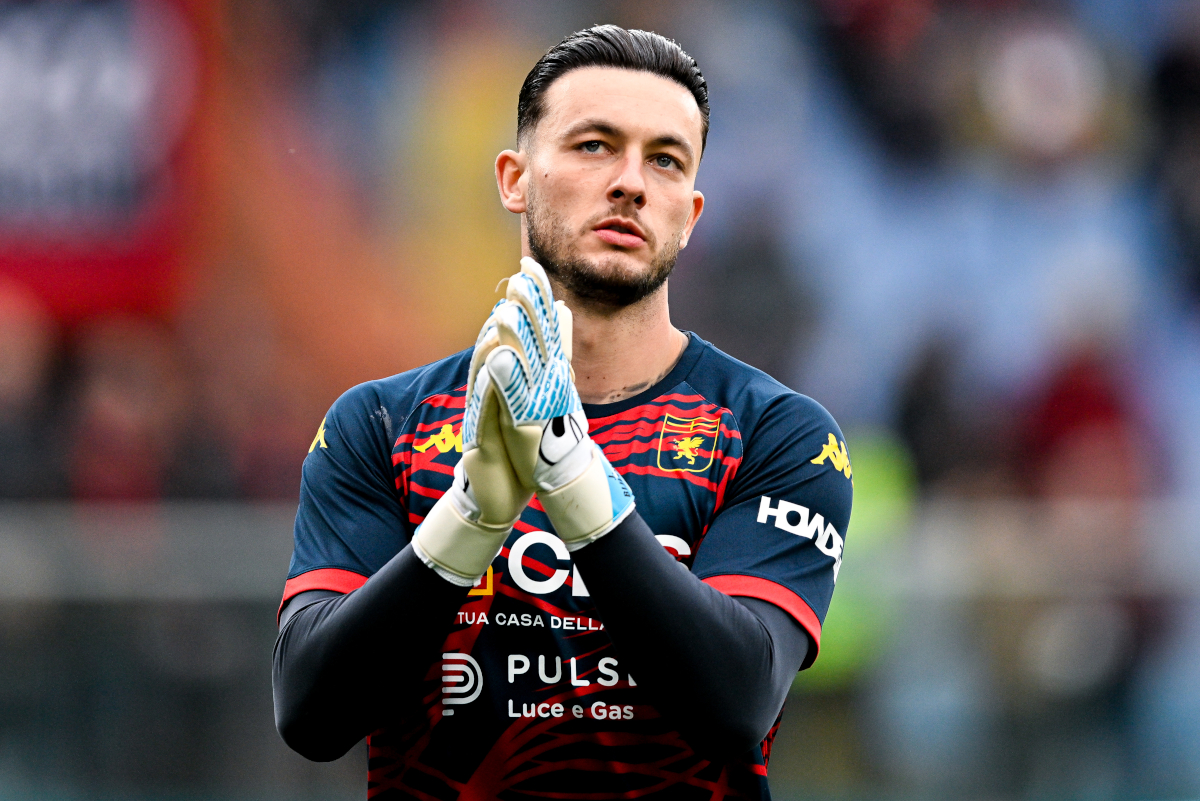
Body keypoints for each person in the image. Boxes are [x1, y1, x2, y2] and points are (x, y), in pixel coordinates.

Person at [272, 24, 852, 800]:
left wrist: (574, 478)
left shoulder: (778, 433)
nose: (631, 183)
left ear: (692, 210)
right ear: (514, 178)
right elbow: (312, 714)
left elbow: (738, 699)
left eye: (666, 160)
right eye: (593, 146)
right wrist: (471, 519)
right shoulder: (379, 425)